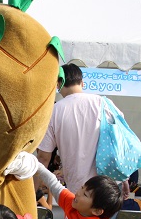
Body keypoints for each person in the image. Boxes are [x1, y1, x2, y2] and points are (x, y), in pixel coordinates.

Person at [37, 63, 125, 194]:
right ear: (82, 83)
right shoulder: (105, 103)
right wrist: (125, 177)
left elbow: (43, 157)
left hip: (79, 190)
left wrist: (33, 191)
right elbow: (121, 142)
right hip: (109, 185)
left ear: (58, 84)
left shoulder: (54, 111)